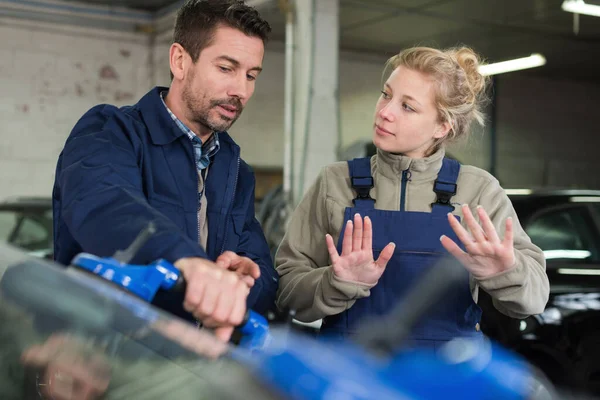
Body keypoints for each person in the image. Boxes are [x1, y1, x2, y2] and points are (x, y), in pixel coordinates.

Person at [275, 46, 550, 347]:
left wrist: (506, 272)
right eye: (386, 94)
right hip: (351, 378)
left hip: (441, 382)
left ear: (442, 126)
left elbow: (533, 300)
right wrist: (335, 283)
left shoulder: (479, 191)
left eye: (407, 107)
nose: (384, 112)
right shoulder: (335, 183)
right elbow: (286, 290)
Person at [52, 0, 278, 342]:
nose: (241, 90)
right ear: (180, 61)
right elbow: (105, 206)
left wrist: (245, 282)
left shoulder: (236, 173)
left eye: (251, 76)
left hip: (192, 371)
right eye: (226, 68)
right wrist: (188, 262)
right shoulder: (110, 132)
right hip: (104, 365)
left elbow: (261, 268)